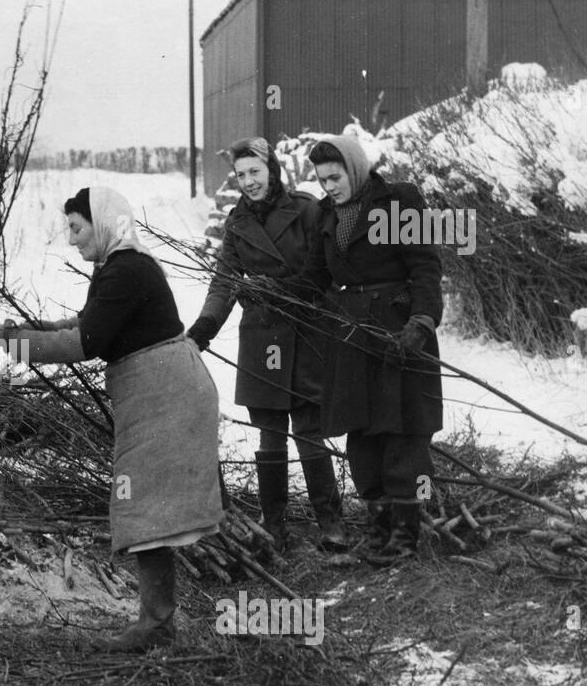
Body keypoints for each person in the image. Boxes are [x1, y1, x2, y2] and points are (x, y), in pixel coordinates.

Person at [0, 187, 224, 652]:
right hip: (159, 391)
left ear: (104, 224)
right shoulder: (119, 267)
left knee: (144, 506)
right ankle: (159, 622)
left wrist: (16, 345)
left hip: (166, 395)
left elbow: (85, 343)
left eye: (77, 228)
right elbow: (87, 325)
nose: (71, 240)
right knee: (145, 506)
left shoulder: (126, 270)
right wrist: (22, 331)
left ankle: (156, 625)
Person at [186, 136, 347, 552]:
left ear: (272, 169)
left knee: (309, 430)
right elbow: (224, 280)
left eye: (255, 172)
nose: (248, 182)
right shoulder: (236, 224)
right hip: (262, 335)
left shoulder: (308, 209)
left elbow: (324, 271)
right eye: (241, 175)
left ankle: (330, 520)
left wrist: (287, 292)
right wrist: (204, 326)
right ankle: (274, 525)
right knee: (269, 434)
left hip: (307, 328)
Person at [296, 135, 443, 564]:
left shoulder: (399, 201)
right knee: (361, 433)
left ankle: (406, 533)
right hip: (351, 336)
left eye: (335, 177)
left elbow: (426, 266)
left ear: (355, 169)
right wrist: (270, 292)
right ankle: (377, 530)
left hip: (400, 332)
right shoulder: (326, 216)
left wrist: (422, 321)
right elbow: (313, 277)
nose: (329, 187)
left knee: (405, 432)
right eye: (322, 180)